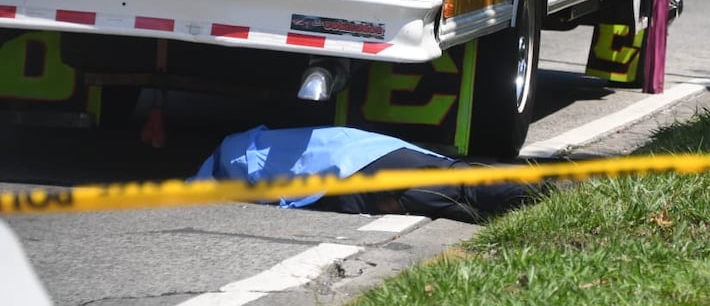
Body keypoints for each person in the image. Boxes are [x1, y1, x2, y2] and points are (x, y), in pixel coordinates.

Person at [194, 125, 540, 223]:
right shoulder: (245, 147)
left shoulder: (237, 155)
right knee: (453, 181)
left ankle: (524, 202)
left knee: (446, 191)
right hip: (364, 155)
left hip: (357, 167)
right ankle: (527, 199)